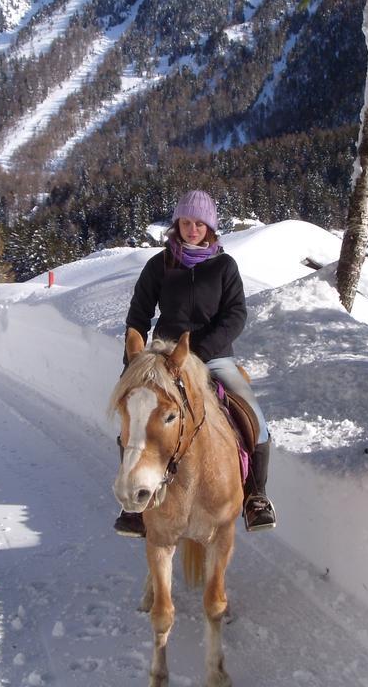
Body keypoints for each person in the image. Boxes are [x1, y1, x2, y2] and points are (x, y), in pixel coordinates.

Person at [114, 189, 277, 537]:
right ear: (177, 225)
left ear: (210, 227)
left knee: (256, 422)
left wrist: (200, 353)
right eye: (185, 222)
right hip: (164, 360)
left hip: (213, 357)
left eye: (199, 224)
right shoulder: (159, 265)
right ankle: (133, 502)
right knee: (138, 420)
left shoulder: (224, 266)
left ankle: (255, 497)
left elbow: (236, 315)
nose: (192, 229)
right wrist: (134, 364)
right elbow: (138, 314)